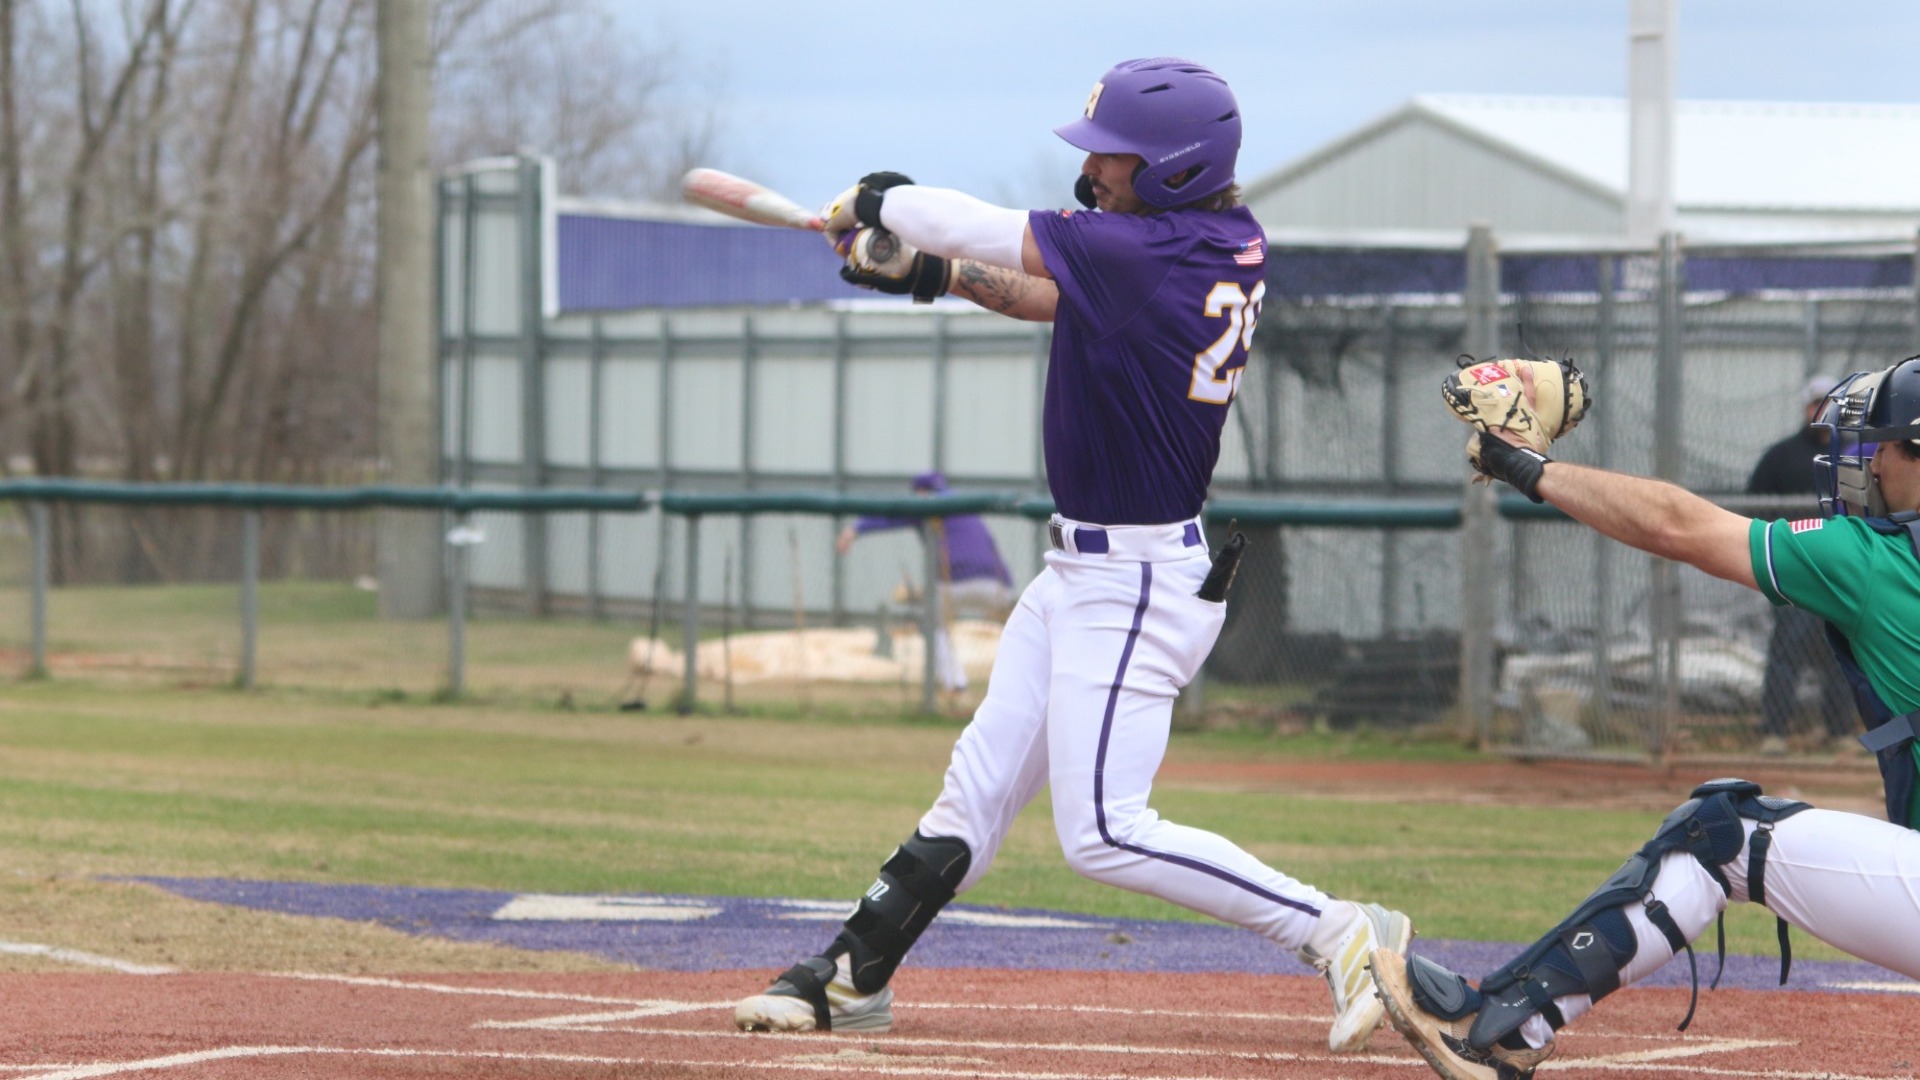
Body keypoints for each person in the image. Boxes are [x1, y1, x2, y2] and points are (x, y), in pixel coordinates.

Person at [732, 57, 1413, 1053]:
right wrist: (921, 269)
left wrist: (882, 200)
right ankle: (852, 973)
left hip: (1135, 580)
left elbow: (981, 228)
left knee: (1102, 830)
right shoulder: (1206, 241)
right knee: (978, 788)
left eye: (1116, 160)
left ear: (1178, 169)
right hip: (1089, 575)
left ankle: (1342, 930)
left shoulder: (1148, 252)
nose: (1095, 174)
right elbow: (1034, 292)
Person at [1369, 356, 1920, 1080]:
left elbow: (1674, 524)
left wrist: (1530, 466)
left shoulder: (1875, 560)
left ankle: (1498, 1025)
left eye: (1877, 444)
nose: (1869, 464)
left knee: (1719, 832)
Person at [1745, 374, 1850, 754]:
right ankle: (1775, 732)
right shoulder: (1781, 455)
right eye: (1815, 403)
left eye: (1828, 404)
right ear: (1806, 408)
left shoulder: (1852, 454)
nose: (1821, 411)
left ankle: (1838, 733)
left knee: (1841, 654)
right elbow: (1752, 508)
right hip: (1793, 572)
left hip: (1838, 573)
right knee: (1786, 652)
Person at [836, 470, 1015, 691]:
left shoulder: (926, 504)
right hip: (998, 585)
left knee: (931, 623)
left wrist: (855, 530)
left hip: (952, 582)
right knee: (1017, 629)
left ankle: (956, 685)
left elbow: (888, 517)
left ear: (920, 492)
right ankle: (1020, 685)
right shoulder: (964, 506)